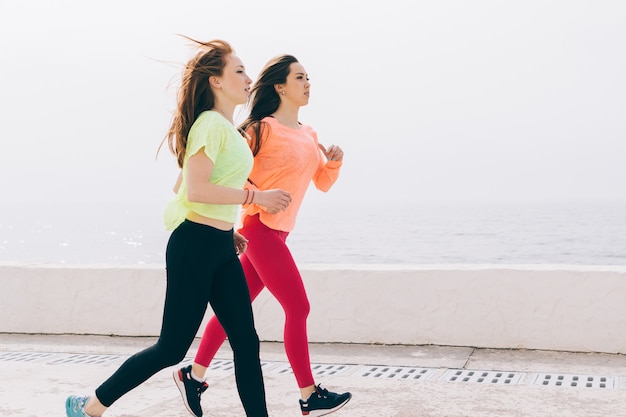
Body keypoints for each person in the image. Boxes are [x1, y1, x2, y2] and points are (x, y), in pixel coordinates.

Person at [64, 38, 292, 417]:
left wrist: (226, 227)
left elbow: (183, 186)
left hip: (218, 245)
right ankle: (91, 406)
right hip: (194, 247)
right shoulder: (209, 125)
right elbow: (197, 187)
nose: (249, 78)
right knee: (171, 348)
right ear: (216, 81)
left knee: (246, 342)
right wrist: (257, 198)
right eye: (239, 71)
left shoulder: (225, 129)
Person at [173, 54, 351, 417]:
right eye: (299, 78)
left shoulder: (308, 133)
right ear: (279, 86)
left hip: (279, 234)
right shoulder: (259, 129)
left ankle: (193, 375)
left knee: (230, 311)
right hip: (259, 229)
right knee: (298, 307)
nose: (307, 84)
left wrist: (332, 161)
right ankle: (308, 394)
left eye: (308, 78)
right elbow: (227, 169)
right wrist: (256, 195)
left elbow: (322, 183)